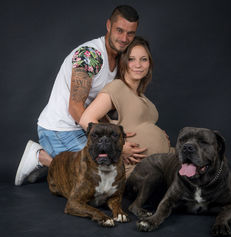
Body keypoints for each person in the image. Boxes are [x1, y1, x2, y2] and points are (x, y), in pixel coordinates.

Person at [15, 5, 146, 186]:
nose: (124, 39)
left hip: (82, 127)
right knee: (92, 181)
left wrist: (118, 131)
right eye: (119, 30)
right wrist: (116, 146)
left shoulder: (119, 59)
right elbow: (75, 108)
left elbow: (97, 107)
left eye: (130, 33)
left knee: (111, 170)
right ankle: (40, 156)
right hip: (59, 129)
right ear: (108, 25)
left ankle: (59, 161)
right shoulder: (90, 55)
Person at [79, 36, 175, 177]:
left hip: (162, 160)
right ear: (123, 62)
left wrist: (160, 136)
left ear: (149, 64)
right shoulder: (117, 87)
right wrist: (118, 146)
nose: (138, 65)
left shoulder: (143, 97)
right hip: (134, 168)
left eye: (144, 59)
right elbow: (85, 119)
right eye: (131, 59)